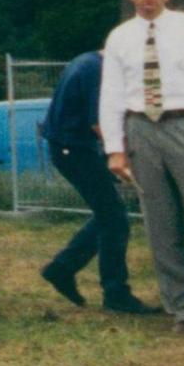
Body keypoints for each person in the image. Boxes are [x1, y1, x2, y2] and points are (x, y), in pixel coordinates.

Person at [99, 0, 184, 334]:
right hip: (142, 131)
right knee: (162, 227)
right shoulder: (119, 38)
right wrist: (115, 148)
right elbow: (111, 95)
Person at [38, 50, 149, 313]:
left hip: (68, 147)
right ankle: (115, 294)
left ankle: (62, 268)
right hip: (74, 149)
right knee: (114, 219)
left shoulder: (85, 60)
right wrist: (121, 155)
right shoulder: (99, 71)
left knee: (108, 215)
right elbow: (99, 122)